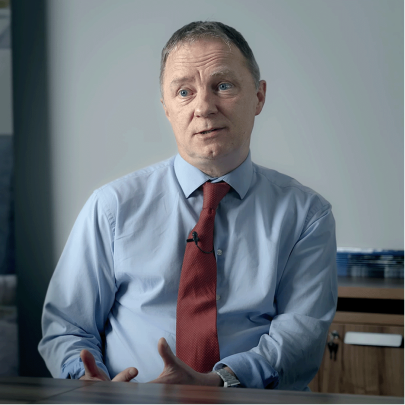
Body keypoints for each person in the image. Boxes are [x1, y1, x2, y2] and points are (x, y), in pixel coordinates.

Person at [39, 21, 337, 390]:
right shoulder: (111, 207)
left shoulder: (307, 215)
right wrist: (88, 381)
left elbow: (300, 338)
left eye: (223, 86)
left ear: (259, 97)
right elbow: (67, 326)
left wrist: (219, 381)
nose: (204, 107)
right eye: (184, 92)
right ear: (166, 108)